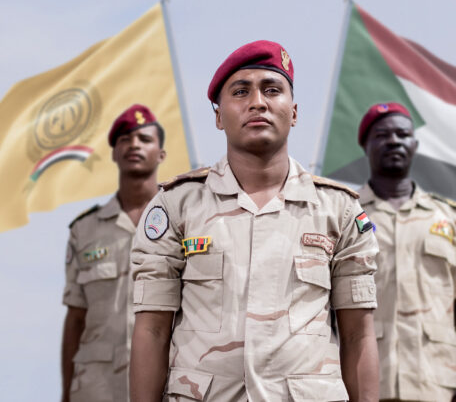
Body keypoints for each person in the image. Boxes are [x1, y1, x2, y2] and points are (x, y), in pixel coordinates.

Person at [129, 40, 380, 401]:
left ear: (294, 112)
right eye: (241, 91)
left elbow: (358, 335)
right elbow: (152, 330)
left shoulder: (339, 211)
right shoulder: (177, 206)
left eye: (272, 90)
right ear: (219, 117)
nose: (258, 102)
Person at [61, 104, 167, 402]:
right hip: (97, 387)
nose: (134, 145)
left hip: (166, 381)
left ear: (161, 154)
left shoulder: (182, 217)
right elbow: (75, 318)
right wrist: (66, 392)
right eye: (125, 140)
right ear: (114, 153)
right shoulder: (85, 230)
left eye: (144, 139)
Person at [356, 102, 456, 402]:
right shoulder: (343, 214)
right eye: (382, 135)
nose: (393, 141)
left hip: (437, 381)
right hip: (363, 382)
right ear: (365, 146)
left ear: (415, 144)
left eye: (402, 135)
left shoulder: (448, 218)